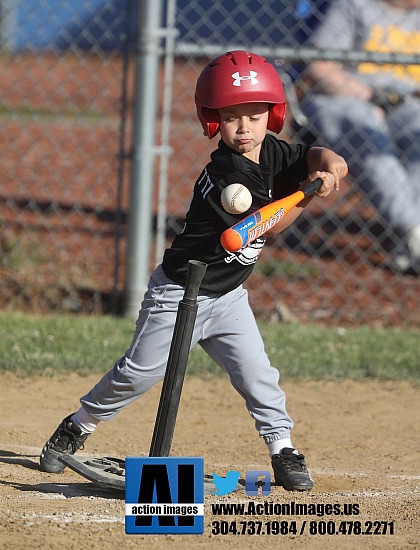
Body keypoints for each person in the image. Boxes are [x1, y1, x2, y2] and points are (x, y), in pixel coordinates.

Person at [39, 51, 348, 491]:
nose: (244, 128)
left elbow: (309, 154)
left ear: (273, 115)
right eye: (231, 117)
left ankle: (283, 448)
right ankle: (76, 427)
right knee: (137, 374)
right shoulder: (225, 176)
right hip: (179, 293)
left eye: (254, 116)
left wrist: (328, 163)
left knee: (257, 375)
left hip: (227, 296)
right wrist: (309, 194)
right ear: (212, 120)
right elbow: (268, 224)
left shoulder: (274, 152)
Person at [295, 0, 420, 272]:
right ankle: (413, 231)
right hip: (345, 98)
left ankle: (411, 236)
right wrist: (371, 98)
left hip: (406, 104)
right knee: (364, 128)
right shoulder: (354, 5)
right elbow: (319, 67)